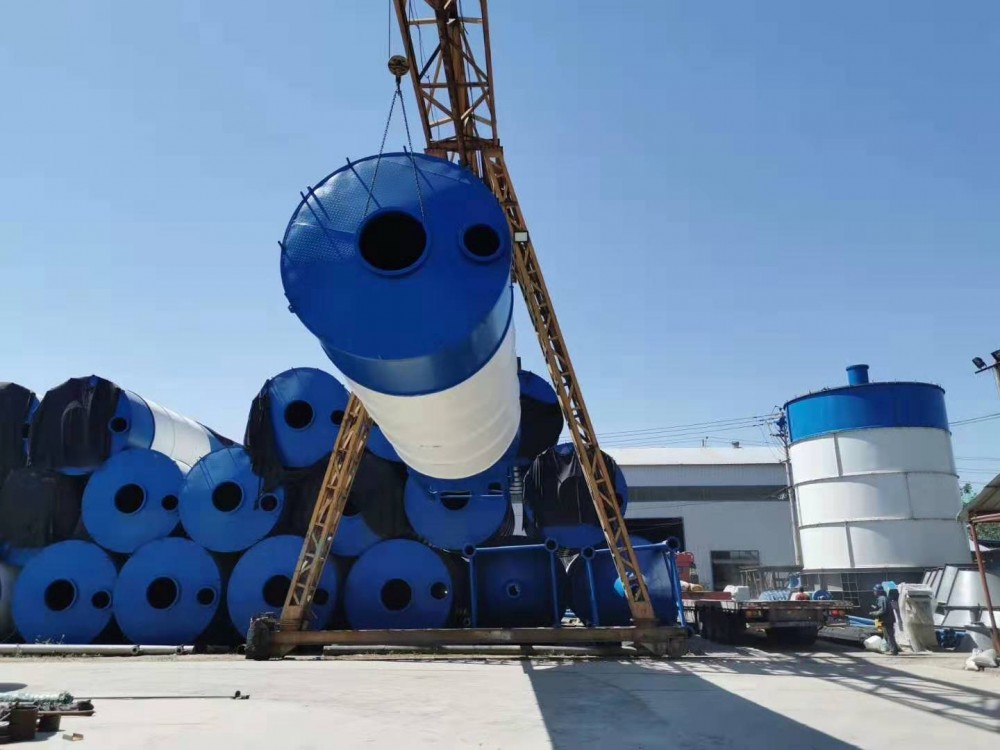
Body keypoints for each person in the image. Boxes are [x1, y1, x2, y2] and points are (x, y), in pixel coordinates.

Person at [871, 585, 900, 655]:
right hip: (884, 620)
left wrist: (874, 613)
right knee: (886, 635)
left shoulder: (882, 598)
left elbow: (883, 610)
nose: (874, 592)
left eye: (875, 591)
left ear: (878, 591)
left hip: (886, 620)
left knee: (889, 635)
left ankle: (893, 650)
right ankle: (892, 649)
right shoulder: (882, 598)